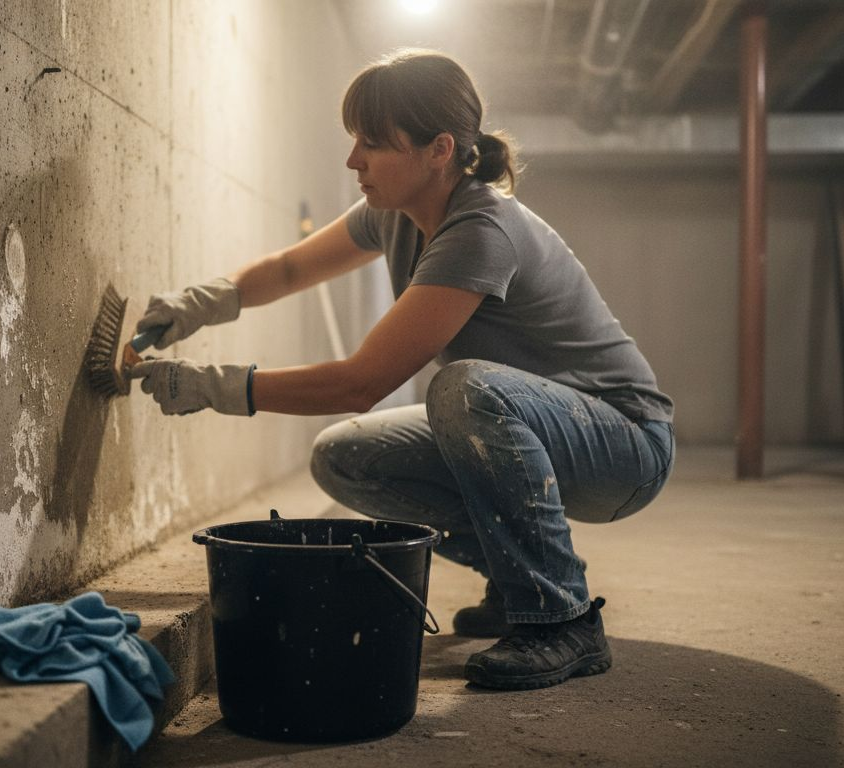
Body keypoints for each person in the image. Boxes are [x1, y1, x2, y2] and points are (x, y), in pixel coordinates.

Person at [126, 49, 674, 691]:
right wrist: (200, 303)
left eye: (373, 144)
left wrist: (212, 388)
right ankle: (519, 576)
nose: (353, 160)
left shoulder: (481, 230)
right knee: (346, 456)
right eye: (355, 140)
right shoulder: (393, 213)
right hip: (539, 428)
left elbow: (361, 383)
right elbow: (291, 269)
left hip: (625, 446)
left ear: (438, 149)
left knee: (464, 388)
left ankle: (561, 620)